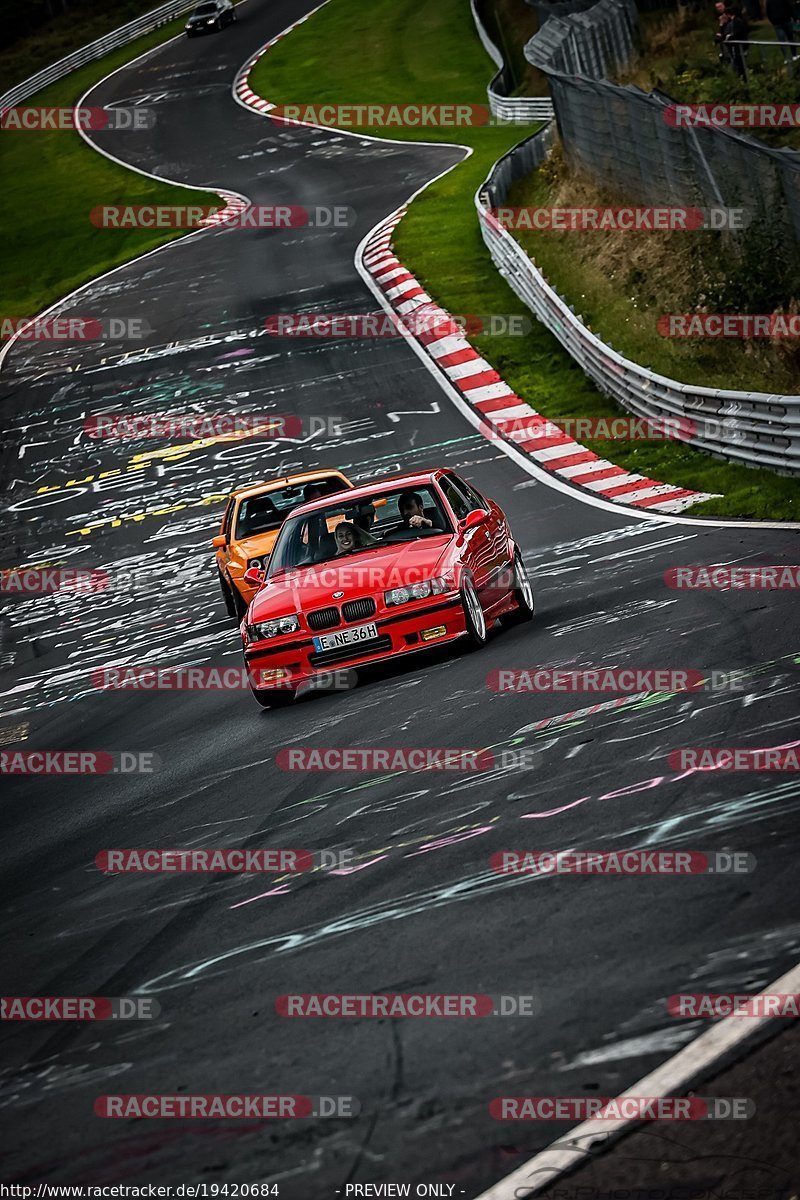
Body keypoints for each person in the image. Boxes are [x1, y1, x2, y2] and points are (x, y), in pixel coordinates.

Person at [723, 2, 749, 77]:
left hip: (740, 46)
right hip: (738, 46)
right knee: (738, 63)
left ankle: (743, 78)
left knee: (740, 64)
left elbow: (737, 33)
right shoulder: (737, 21)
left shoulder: (737, 22)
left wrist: (729, 37)